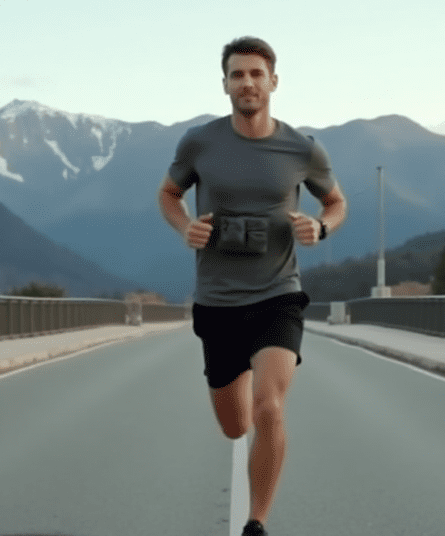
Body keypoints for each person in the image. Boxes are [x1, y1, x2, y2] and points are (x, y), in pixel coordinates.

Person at [158, 36, 347, 536]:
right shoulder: (199, 143)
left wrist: (321, 227)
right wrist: (185, 227)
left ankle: (256, 523)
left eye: (256, 74)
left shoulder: (303, 148)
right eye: (237, 75)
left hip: (277, 294)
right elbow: (169, 193)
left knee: (269, 408)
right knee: (235, 425)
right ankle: (239, 389)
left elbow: (336, 203)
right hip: (217, 301)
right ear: (224, 84)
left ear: (273, 82)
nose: (247, 83)